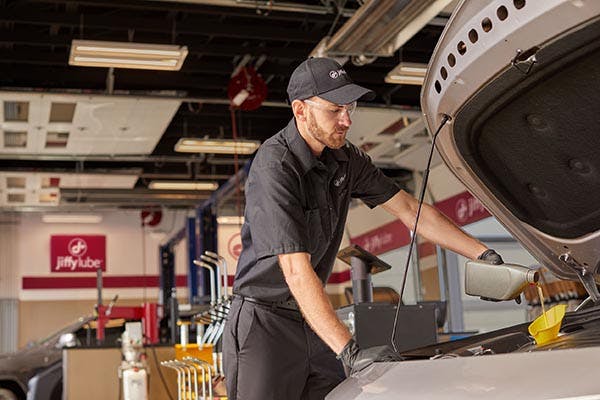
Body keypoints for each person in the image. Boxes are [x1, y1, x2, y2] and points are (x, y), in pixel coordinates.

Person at [222, 57, 504, 400]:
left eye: (350, 106)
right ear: (300, 110)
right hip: (264, 325)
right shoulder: (275, 167)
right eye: (335, 110)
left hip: (311, 320)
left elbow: (410, 210)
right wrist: (349, 351)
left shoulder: (346, 159)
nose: (347, 119)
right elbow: (296, 271)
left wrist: (484, 253)